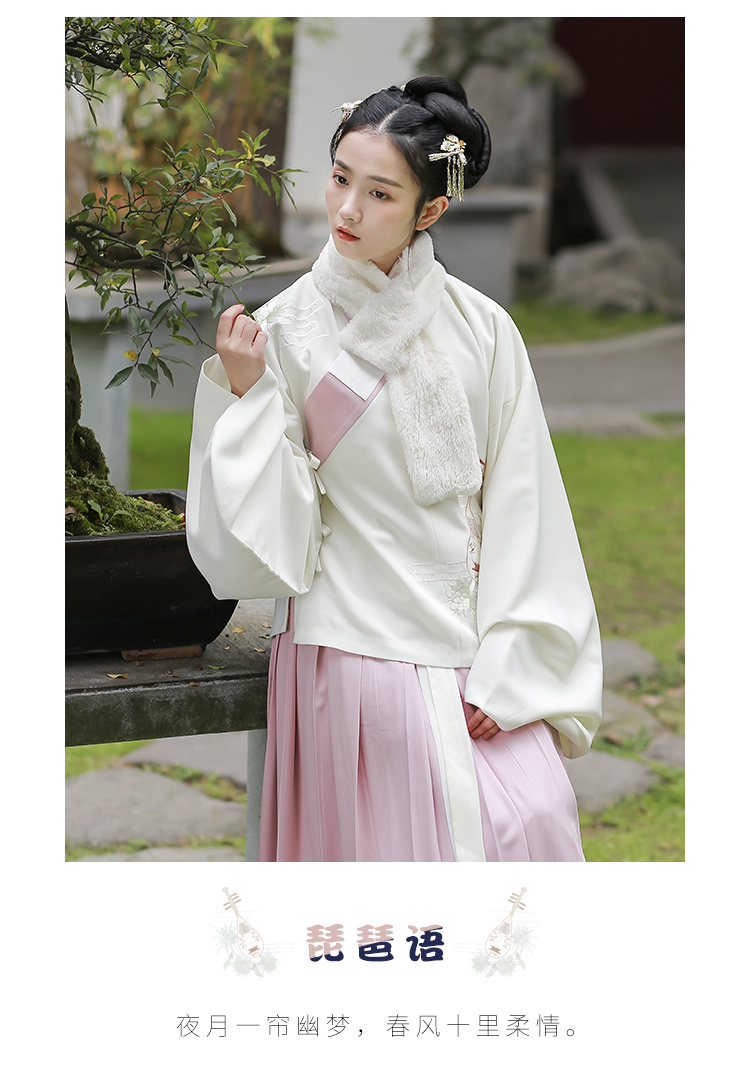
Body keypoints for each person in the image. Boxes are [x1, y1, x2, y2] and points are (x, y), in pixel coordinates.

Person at [186, 76, 602, 863]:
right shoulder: (283, 332)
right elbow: (269, 543)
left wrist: (517, 663)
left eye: (379, 193)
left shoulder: (484, 329)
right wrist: (248, 396)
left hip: (474, 646)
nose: (347, 210)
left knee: (533, 819)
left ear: (430, 211)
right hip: (353, 646)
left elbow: (526, 503)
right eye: (340, 178)